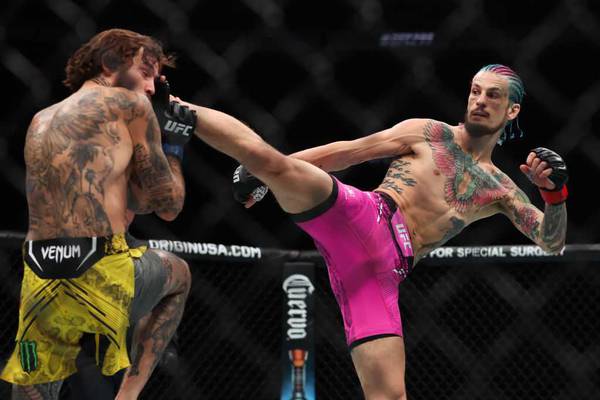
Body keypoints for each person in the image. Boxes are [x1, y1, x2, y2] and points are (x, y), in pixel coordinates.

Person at [179, 64, 568, 400]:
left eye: (493, 95)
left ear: (512, 109)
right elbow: (349, 151)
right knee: (273, 164)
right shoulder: (429, 133)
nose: (480, 100)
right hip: (365, 218)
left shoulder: (500, 188)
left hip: (383, 276)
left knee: (390, 395)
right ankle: (179, 108)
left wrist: (554, 196)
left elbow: (551, 242)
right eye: (475, 91)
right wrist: (267, 173)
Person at [1, 29, 195, 400]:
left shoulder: (41, 119)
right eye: (146, 72)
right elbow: (168, 205)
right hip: (101, 270)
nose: (151, 87)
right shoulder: (130, 105)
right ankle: (128, 396)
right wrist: (174, 147)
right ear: (109, 63)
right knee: (180, 274)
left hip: (39, 275)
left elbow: (132, 200)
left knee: (32, 384)